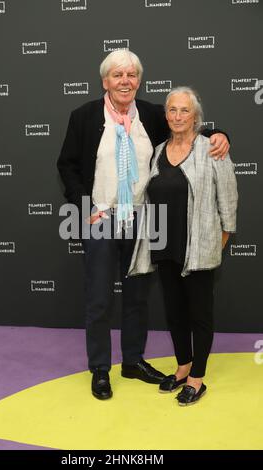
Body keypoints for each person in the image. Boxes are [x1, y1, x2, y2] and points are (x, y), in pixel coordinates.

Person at [57, 51, 230, 400]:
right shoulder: (84, 117)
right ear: (105, 81)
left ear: (139, 81)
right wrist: (84, 206)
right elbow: (67, 165)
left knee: (137, 296)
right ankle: (101, 369)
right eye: (118, 75)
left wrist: (220, 134)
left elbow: (187, 126)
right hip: (101, 219)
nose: (125, 81)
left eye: (132, 75)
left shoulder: (151, 114)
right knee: (99, 299)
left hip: (144, 219)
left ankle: (133, 362)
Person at [129, 86, 238, 405]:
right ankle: (182, 366)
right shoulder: (158, 150)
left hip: (200, 249)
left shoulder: (212, 149)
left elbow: (228, 201)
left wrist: (217, 243)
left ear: (196, 116)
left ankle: (197, 377)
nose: (177, 116)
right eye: (172, 110)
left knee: (199, 314)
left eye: (184, 110)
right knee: (175, 312)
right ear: (166, 115)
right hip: (165, 245)